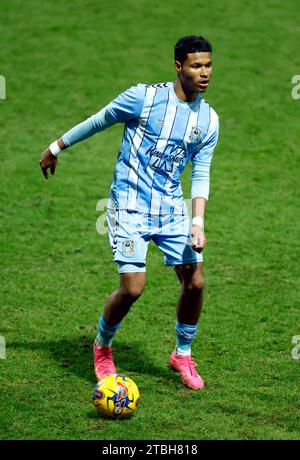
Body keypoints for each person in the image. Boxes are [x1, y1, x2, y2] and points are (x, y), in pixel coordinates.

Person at [39, 35, 219, 390]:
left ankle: (182, 354)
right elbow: (100, 119)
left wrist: (197, 223)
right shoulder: (144, 98)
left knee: (195, 282)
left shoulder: (209, 120)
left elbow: (201, 172)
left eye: (209, 65)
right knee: (133, 288)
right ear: (178, 66)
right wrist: (56, 146)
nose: (205, 73)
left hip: (171, 208)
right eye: (196, 65)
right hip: (128, 206)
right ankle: (102, 347)